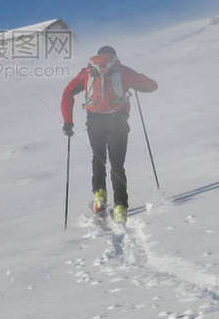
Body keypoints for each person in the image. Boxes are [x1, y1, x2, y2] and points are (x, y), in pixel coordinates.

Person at [61, 46, 158, 224]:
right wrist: (137, 85)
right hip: (118, 122)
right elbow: (152, 86)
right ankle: (120, 207)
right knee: (117, 165)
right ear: (114, 56)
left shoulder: (87, 72)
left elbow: (67, 93)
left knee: (98, 158)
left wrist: (68, 121)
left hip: (94, 122)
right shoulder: (123, 71)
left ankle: (100, 196)